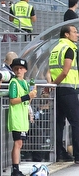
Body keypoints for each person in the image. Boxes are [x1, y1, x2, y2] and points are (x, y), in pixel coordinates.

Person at [50, 25, 79, 162]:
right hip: (67, 89)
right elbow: (65, 71)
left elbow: (49, 71)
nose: (77, 34)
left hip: (58, 90)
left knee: (59, 123)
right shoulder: (69, 49)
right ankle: (78, 155)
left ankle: (59, 153)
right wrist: (54, 83)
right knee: (76, 122)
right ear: (66, 35)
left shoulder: (55, 49)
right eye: (74, 32)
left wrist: (51, 84)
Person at [6, 57, 37, 176]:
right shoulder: (13, 83)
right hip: (16, 117)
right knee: (18, 143)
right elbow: (13, 100)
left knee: (20, 143)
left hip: (23, 117)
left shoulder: (24, 83)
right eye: (16, 68)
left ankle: (16, 168)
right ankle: (15, 169)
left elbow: (26, 101)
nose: (19, 70)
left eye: (21, 68)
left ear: (25, 70)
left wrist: (31, 96)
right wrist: (28, 96)